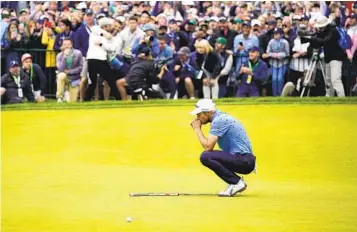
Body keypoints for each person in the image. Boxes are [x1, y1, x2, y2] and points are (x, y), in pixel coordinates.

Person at [190, 99, 256, 197]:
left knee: (206, 156)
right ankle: (234, 183)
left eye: (199, 115)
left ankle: (236, 183)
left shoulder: (219, 120)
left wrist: (197, 129)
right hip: (244, 160)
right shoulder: (220, 117)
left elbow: (208, 147)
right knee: (209, 156)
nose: (197, 118)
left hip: (244, 160)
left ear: (207, 113)